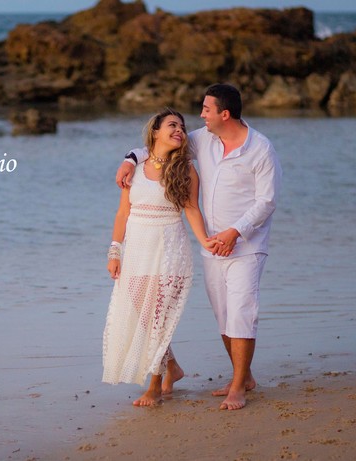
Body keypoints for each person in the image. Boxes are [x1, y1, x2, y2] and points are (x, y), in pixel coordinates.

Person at [116, 84, 281, 410]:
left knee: (241, 311)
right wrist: (130, 159)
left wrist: (236, 232)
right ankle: (245, 376)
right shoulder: (203, 139)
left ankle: (238, 387)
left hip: (247, 243)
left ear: (224, 114)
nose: (201, 115)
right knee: (223, 314)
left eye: (206, 109)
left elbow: (267, 201)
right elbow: (159, 145)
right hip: (212, 244)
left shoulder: (261, 149)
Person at [103, 108, 217, 406]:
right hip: (137, 251)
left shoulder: (186, 170)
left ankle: (154, 386)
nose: (179, 130)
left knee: (157, 318)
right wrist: (115, 250)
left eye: (182, 126)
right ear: (155, 131)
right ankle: (173, 368)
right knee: (145, 317)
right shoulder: (135, 167)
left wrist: (205, 241)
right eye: (172, 125)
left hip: (169, 250)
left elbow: (192, 210)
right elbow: (122, 213)